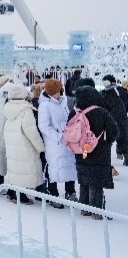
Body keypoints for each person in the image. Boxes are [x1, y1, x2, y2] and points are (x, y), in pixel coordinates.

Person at [71, 86, 120, 218]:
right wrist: (106, 142)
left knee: (84, 179)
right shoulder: (101, 112)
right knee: (96, 182)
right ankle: (96, 211)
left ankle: (84, 208)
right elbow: (114, 131)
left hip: (80, 151)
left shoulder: (75, 113)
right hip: (100, 152)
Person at [37, 78, 78, 206]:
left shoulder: (63, 102)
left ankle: (70, 192)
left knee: (70, 166)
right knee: (54, 167)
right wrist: (58, 136)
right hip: (54, 143)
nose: (61, 91)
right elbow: (43, 126)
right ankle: (53, 193)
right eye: (59, 89)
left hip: (67, 141)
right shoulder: (45, 105)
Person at [3, 84, 46, 204]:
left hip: (13, 144)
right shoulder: (26, 110)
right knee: (24, 171)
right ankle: (20, 196)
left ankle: (12, 193)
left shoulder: (8, 108)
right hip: (24, 145)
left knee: (16, 170)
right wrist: (41, 147)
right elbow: (31, 131)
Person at [101, 75, 128, 166]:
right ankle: (122, 154)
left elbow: (103, 107)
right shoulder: (121, 91)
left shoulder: (105, 94)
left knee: (108, 140)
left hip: (111, 119)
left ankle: (106, 161)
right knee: (123, 138)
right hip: (121, 118)